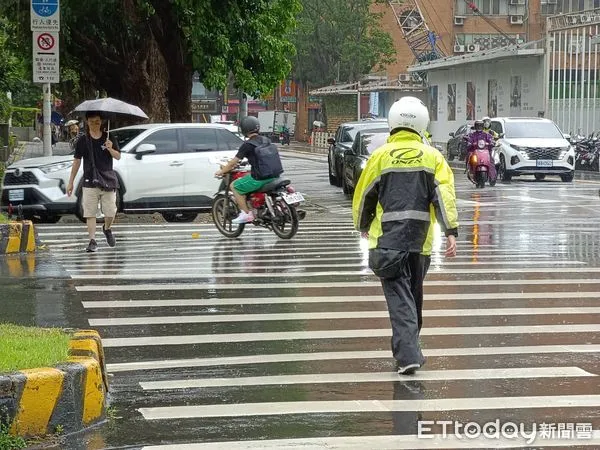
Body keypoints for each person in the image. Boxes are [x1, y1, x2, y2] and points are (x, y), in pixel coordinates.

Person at [352, 96, 458, 375]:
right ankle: (409, 349)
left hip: (387, 242)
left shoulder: (379, 156)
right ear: (422, 124)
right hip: (421, 244)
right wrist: (450, 232)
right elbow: (444, 197)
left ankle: (408, 354)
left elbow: (364, 197)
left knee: (401, 302)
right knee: (412, 299)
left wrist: (362, 225)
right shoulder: (434, 157)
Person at [66, 111, 121, 253]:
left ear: (101, 122)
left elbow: (118, 156)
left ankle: (107, 228)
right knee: (90, 212)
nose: (94, 124)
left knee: (110, 212)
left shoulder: (109, 137)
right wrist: (71, 182)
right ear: (87, 122)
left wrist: (110, 148)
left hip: (107, 179)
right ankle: (92, 240)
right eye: (91, 122)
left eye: (97, 121)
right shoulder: (83, 140)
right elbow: (77, 161)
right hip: (90, 180)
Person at [214, 116, 284, 224]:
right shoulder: (266, 140)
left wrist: (221, 171)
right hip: (275, 175)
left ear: (244, 129)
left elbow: (233, 162)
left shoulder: (247, 145)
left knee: (235, 186)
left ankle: (246, 214)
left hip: (260, 178)